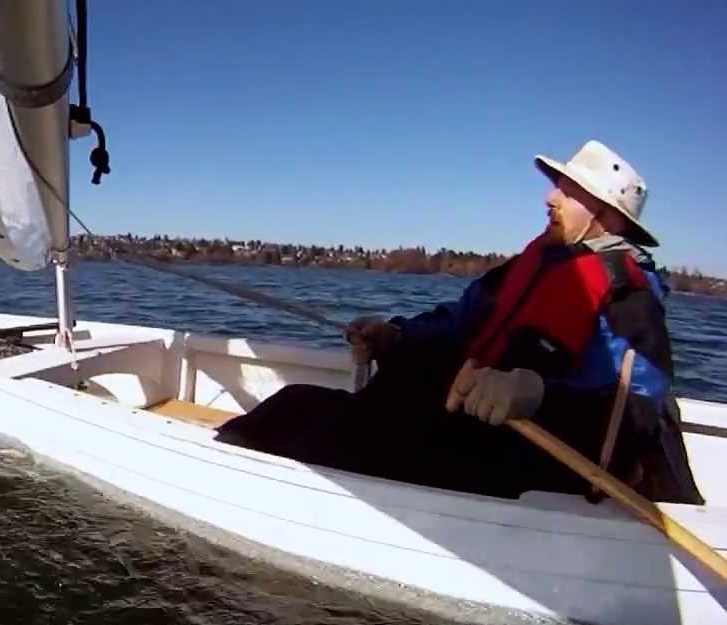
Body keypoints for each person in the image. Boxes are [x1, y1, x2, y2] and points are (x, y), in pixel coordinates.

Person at [215, 140, 705, 505]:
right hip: (464, 425)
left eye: (571, 191)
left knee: (326, 441)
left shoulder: (625, 293)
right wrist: (397, 334)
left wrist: (538, 393)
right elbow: (459, 321)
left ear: (610, 218)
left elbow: (642, 405)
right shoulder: (531, 265)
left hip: (525, 459)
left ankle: (251, 500)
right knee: (296, 401)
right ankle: (220, 473)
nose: (550, 199)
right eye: (558, 186)